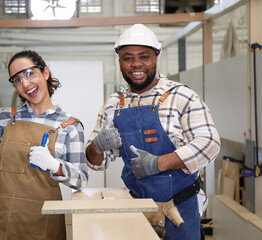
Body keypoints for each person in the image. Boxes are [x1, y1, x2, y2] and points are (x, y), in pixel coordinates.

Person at [85, 24, 220, 240]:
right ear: (119, 61)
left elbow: (210, 144)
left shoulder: (182, 97)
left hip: (181, 207)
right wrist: (96, 146)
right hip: (136, 209)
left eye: (144, 56)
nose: (136, 64)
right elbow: (95, 162)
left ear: (156, 57)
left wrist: (159, 163)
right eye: (128, 58)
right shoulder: (114, 105)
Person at [0, 50, 89, 240]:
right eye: (17, 79)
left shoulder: (69, 127)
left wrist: (56, 166)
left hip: (43, 225)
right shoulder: (5, 120)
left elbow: (80, 180)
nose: (25, 84)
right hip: (2, 221)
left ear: (45, 73)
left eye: (29, 73)